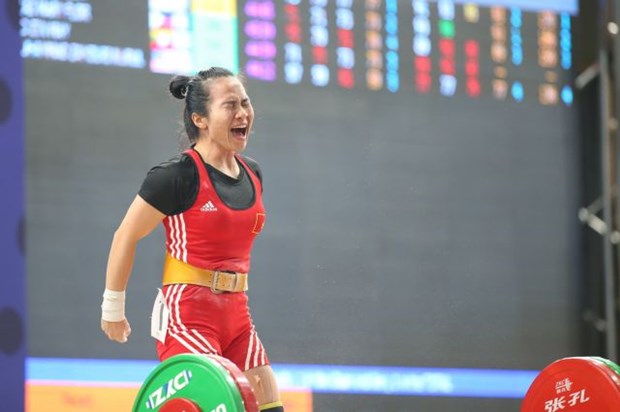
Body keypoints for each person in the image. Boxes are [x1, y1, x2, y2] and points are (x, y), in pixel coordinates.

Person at [100, 67, 283, 412]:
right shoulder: (176, 176)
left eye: (245, 102)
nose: (243, 113)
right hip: (187, 313)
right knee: (215, 392)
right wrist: (112, 309)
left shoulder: (252, 173)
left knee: (266, 396)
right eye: (230, 106)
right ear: (200, 118)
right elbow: (125, 235)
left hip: (236, 312)